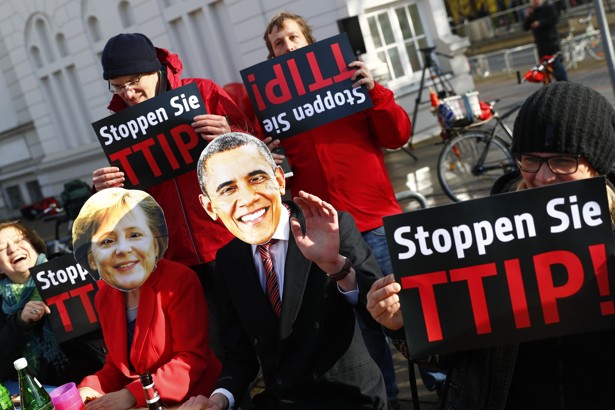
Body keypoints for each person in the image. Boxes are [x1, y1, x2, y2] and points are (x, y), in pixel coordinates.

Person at [367, 81, 615, 409]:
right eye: (530, 160)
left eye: (563, 161)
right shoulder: (487, 235)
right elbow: (459, 361)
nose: (543, 176)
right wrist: (406, 324)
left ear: (596, 165)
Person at [262, 11, 415, 405]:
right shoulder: (272, 112)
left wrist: (376, 91)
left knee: (412, 312)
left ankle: (445, 380)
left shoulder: (349, 84)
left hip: (377, 222)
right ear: (271, 56)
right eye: (278, 43)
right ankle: (387, 400)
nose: (288, 46)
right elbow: (277, 183)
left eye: (294, 38)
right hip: (329, 237)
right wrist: (269, 155)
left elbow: (398, 135)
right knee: (362, 328)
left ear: (310, 44)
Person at [179, 132, 387, 409]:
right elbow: (240, 354)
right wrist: (219, 400)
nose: (247, 199)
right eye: (228, 190)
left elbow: (379, 313)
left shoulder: (330, 227)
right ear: (209, 207)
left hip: (350, 399)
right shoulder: (229, 259)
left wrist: (335, 266)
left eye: (256, 179)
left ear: (279, 180)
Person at [90, 33, 261, 358]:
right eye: (117, 85)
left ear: (156, 70)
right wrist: (103, 189)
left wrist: (232, 135)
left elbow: (261, 155)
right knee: (216, 350)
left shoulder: (204, 93)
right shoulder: (119, 125)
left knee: (263, 332)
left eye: (134, 80)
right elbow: (126, 202)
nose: (127, 92)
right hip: (176, 259)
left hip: (232, 239)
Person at [72, 188, 221, 409]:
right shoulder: (105, 296)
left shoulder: (179, 279)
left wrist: (131, 395)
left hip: (196, 398)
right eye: (106, 241)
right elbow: (117, 366)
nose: (122, 249)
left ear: (155, 240)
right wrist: (89, 388)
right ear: (92, 258)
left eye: (134, 235)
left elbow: (191, 359)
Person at [0, 221, 105, 388]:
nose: (13, 249)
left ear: (33, 245)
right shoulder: (3, 306)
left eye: (19, 240)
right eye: (2, 248)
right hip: (44, 394)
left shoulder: (71, 270)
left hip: (97, 380)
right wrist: (20, 323)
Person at [524, 0, 568, 81]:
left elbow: (554, 19)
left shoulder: (549, 7)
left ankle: (565, 84)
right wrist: (528, 16)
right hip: (541, 44)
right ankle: (548, 87)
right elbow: (525, 27)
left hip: (551, 42)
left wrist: (540, 23)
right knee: (544, 69)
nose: (535, 2)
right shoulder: (533, 12)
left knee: (557, 66)